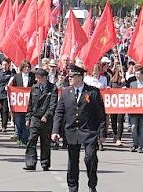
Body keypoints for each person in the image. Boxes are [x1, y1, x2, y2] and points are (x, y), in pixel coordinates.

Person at [52, 64, 106, 192]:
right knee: (73, 162)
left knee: (90, 157)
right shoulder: (66, 92)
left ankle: (92, 184)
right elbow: (59, 112)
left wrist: (102, 133)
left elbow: (101, 114)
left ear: (80, 77)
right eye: (69, 76)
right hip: (72, 131)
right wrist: (55, 131)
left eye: (72, 76)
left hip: (89, 131)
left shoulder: (93, 92)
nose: (69, 78)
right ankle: (72, 187)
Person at [23, 68, 58, 171]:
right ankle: (30, 163)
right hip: (35, 118)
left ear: (44, 78)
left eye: (38, 77)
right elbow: (30, 104)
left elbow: (53, 105)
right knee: (31, 140)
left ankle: (45, 163)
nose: (36, 79)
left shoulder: (52, 88)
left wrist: (47, 115)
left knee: (45, 142)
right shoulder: (34, 88)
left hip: (46, 120)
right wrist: (28, 118)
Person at [9, 60, 36, 145]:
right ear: (22, 68)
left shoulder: (32, 76)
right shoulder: (17, 76)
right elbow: (12, 87)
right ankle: (19, 137)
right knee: (18, 121)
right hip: (19, 103)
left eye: (28, 67)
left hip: (29, 102)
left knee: (26, 121)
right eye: (25, 67)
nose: (27, 68)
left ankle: (25, 140)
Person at [0, 58, 16, 132]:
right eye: (3, 64)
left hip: (6, 94)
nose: (4, 66)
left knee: (5, 110)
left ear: (9, 65)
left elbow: (14, 79)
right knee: (1, 110)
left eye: (6, 65)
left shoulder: (11, 73)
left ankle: (4, 126)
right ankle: (2, 123)